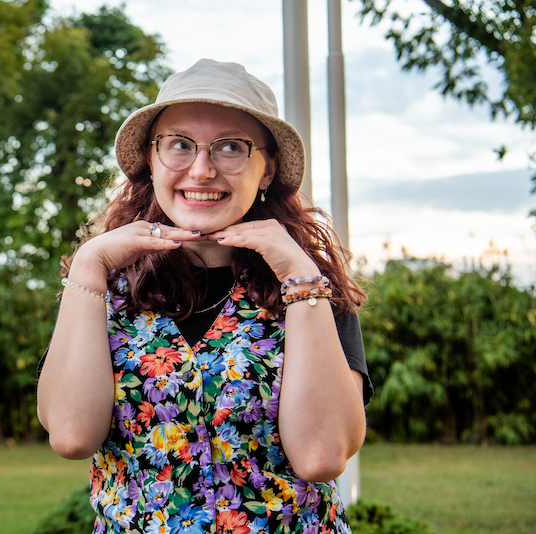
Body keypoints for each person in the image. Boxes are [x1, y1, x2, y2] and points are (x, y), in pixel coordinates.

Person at [37, 59, 371, 534]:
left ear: (268, 168)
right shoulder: (102, 289)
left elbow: (321, 456)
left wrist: (299, 271)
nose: (202, 169)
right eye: (179, 145)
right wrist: (89, 264)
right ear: (151, 162)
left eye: (230, 147)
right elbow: (72, 436)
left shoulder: (311, 288)